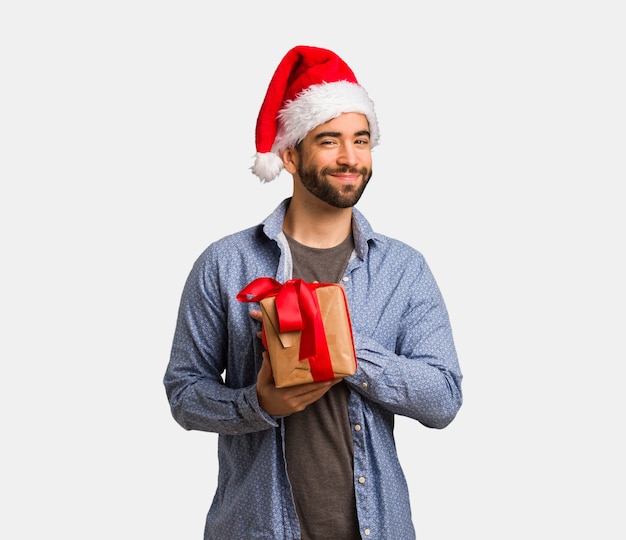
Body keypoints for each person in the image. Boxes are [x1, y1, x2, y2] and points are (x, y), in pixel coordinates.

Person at [164, 45, 463, 540]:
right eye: (329, 141)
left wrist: (344, 349)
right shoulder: (225, 263)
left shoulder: (403, 270)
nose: (350, 158)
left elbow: (444, 400)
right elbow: (184, 393)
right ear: (289, 154)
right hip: (256, 528)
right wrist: (257, 404)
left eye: (361, 140)